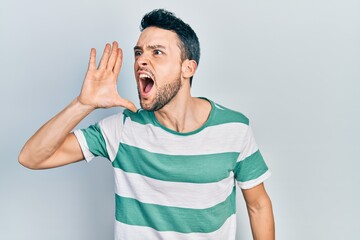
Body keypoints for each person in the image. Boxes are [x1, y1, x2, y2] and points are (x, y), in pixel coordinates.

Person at [19, 9, 275, 240]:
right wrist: (83, 104)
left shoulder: (234, 129)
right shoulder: (122, 130)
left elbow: (258, 204)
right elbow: (32, 157)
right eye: (139, 52)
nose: (141, 60)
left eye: (157, 52)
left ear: (188, 68)